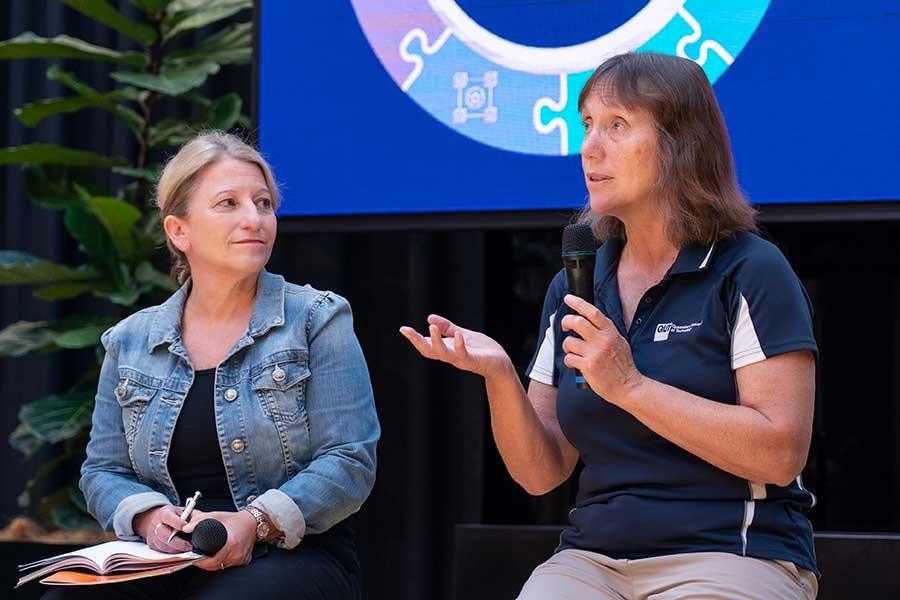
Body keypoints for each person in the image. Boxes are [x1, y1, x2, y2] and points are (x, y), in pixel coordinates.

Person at [400, 52, 818, 599]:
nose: (589, 148)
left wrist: (631, 387)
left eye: (617, 125)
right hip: (593, 560)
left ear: (680, 143)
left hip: (730, 552)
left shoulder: (749, 270)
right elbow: (542, 473)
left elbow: (780, 453)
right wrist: (499, 376)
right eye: (588, 125)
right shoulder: (576, 284)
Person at [46, 132, 380, 600]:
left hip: (290, 553)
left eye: (263, 203)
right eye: (229, 203)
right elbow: (102, 469)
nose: (255, 219)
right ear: (178, 231)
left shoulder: (317, 318)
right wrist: (146, 516)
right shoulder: (130, 340)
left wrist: (254, 522)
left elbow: (350, 461)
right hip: (166, 558)